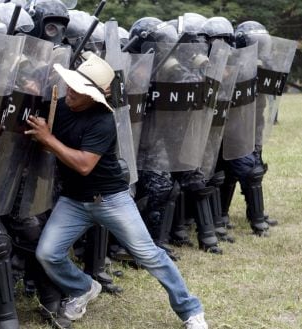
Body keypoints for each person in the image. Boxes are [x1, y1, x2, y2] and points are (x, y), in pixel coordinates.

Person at [27, 53, 209, 329]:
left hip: (110, 199)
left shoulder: (102, 120)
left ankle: (191, 311)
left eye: (80, 89)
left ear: (96, 96)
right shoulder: (58, 106)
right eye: (72, 84)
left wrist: (48, 139)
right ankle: (82, 288)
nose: (71, 91)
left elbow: (84, 164)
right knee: (47, 254)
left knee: (150, 256)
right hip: (74, 200)